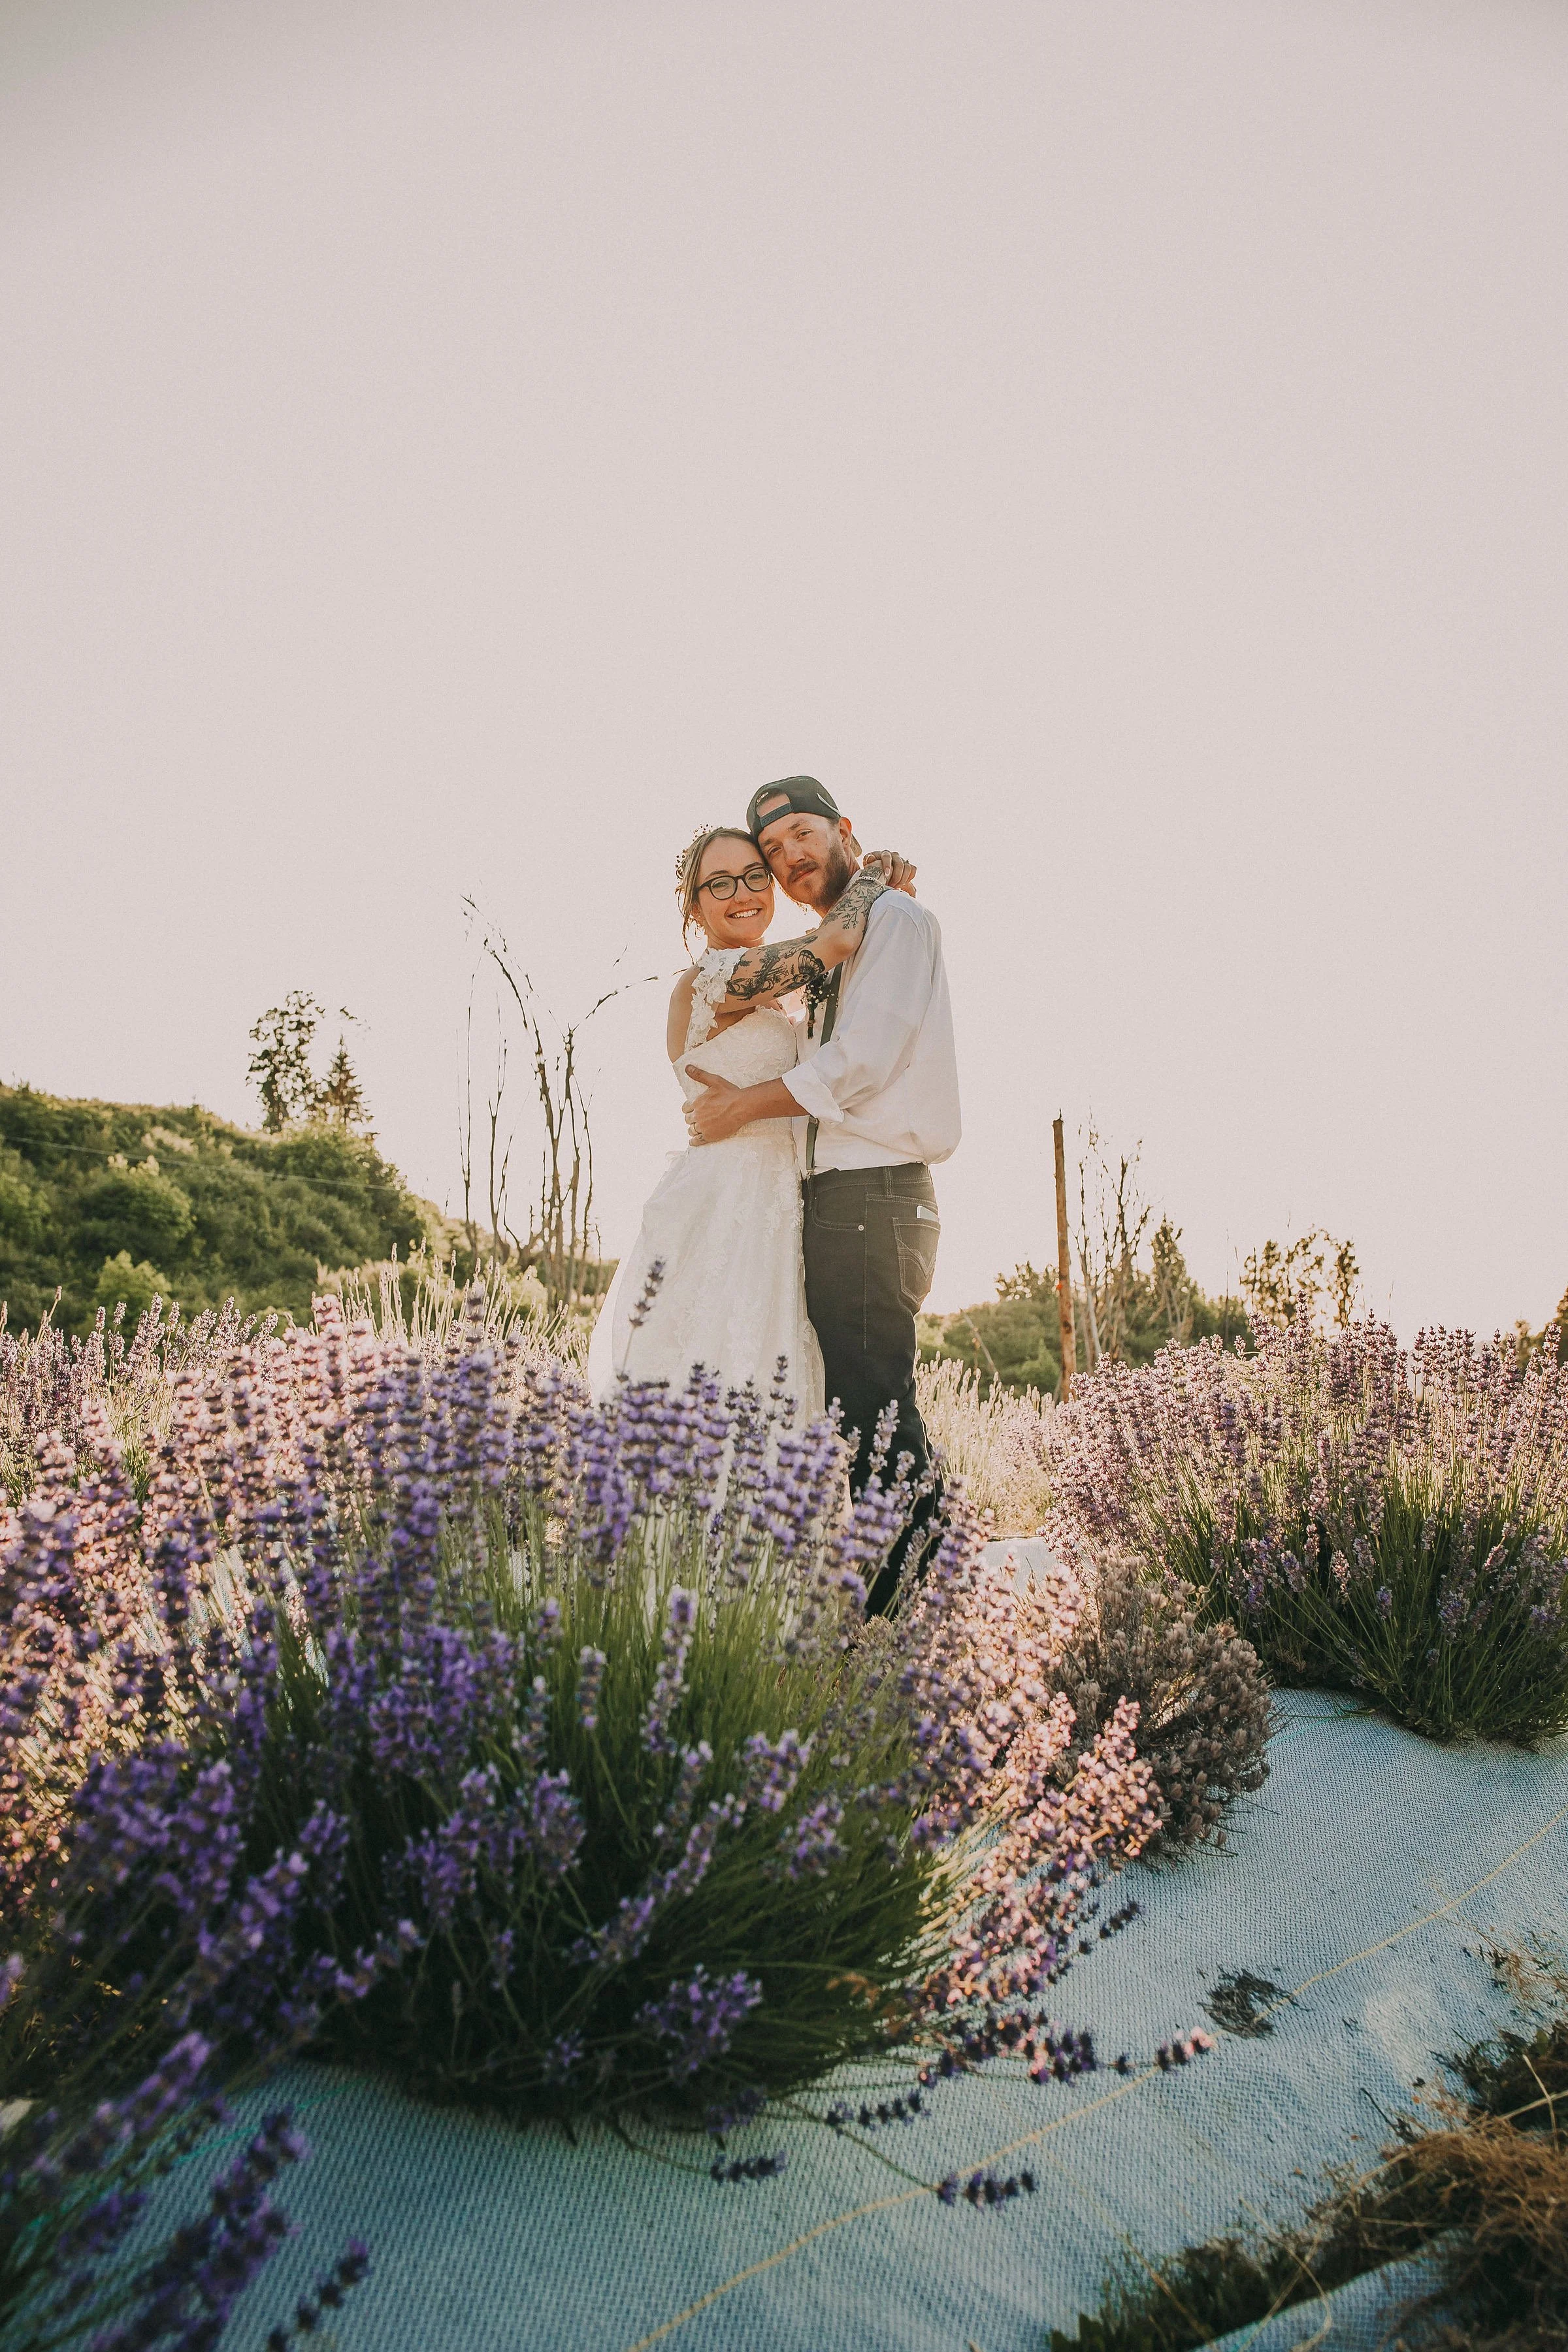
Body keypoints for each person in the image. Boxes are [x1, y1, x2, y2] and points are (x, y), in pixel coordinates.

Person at [685, 777, 960, 1607]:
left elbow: (862, 1062)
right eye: (772, 852)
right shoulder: (838, 940)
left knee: (876, 1406)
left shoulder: (899, 925)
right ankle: (895, 1592)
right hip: (832, 1198)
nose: (788, 858)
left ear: (843, 831)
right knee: (857, 1406)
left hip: (875, 1192)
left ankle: (906, 1607)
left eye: (801, 835)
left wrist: (742, 1106)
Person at [585, 821, 914, 1417]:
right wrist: (871, 873)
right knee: (714, 1367)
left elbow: (842, 960)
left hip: (781, 1200)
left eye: (754, 876)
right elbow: (835, 942)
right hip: (722, 1200)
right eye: (720, 884)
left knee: (773, 1370)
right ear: (694, 905)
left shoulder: (774, 986)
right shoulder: (714, 981)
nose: (743, 893)